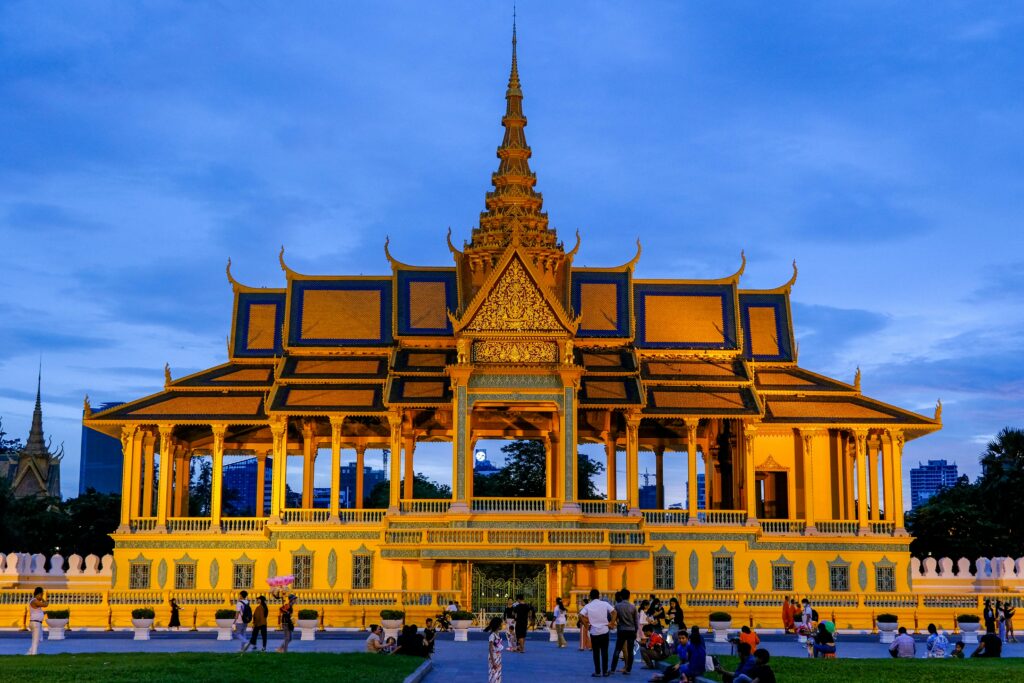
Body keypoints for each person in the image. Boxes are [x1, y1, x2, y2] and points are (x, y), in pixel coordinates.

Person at [578, 588, 616, 677]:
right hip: (604, 630)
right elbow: (614, 612)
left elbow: (580, 615)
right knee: (605, 652)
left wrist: (587, 626)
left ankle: (598, 672)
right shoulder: (605, 604)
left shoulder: (588, 606)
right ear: (599, 596)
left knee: (596, 653)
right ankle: (605, 671)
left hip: (594, 631)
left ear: (590, 596)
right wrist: (612, 623)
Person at [611, 589, 638, 674]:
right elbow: (636, 621)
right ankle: (628, 669)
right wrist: (636, 631)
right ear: (629, 596)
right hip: (631, 630)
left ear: (621, 596)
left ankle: (612, 669)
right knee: (630, 651)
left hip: (622, 630)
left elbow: (614, 618)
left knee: (617, 650)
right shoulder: (633, 607)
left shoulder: (617, 606)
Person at [26, 586, 47, 656]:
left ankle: (29, 652)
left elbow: (37, 612)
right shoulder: (35, 601)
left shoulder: (35, 601)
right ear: (39, 594)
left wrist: (43, 613)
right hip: (35, 623)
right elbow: (46, 604)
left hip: (37, 623)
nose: (41, 596)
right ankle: (34, 654)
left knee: (39, 639)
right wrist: (43, 599)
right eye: (41, 594)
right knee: (35, 640)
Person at [485, 616, 505, 683]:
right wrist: (493, 661)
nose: (502, 625)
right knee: (493, 673)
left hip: (498, 655)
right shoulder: (492, 635)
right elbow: (490, 649)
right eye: (501, 624)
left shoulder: (498, 634)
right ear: (497, 625)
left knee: (498, 673)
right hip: (493, 656)